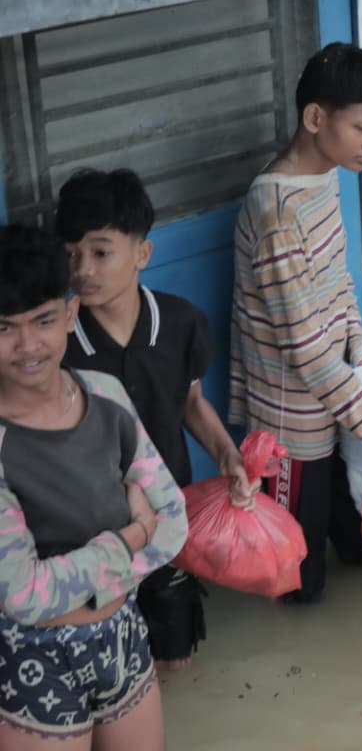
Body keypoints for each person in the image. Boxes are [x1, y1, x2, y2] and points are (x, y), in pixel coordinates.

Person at [229, 42, 362, 604]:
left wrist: (361, 342)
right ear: (315, 119)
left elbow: (336, 279)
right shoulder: (277, 216)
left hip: (339, 406)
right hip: (292, 429)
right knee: (298, 585)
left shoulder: (324, 175)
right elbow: (304, 353)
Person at [55, 168, 252, 671]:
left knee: (174, 656)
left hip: (168, 517)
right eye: (71, 254)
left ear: (142, 253)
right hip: (93, 534)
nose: (83, 269)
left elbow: (190, 402)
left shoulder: (181, 323)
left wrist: (227, 456)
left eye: (101, 252)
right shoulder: (58, 343)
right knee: (109, 662)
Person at [0, 224, 187, 750]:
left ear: (69, 314)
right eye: (5, 328)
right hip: (28, 657)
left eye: (43, 320)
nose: (28, 346)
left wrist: (81, 580)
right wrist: (130, 538)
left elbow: (173, 524)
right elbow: (22, 595)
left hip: (122, 636)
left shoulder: (105, 396)